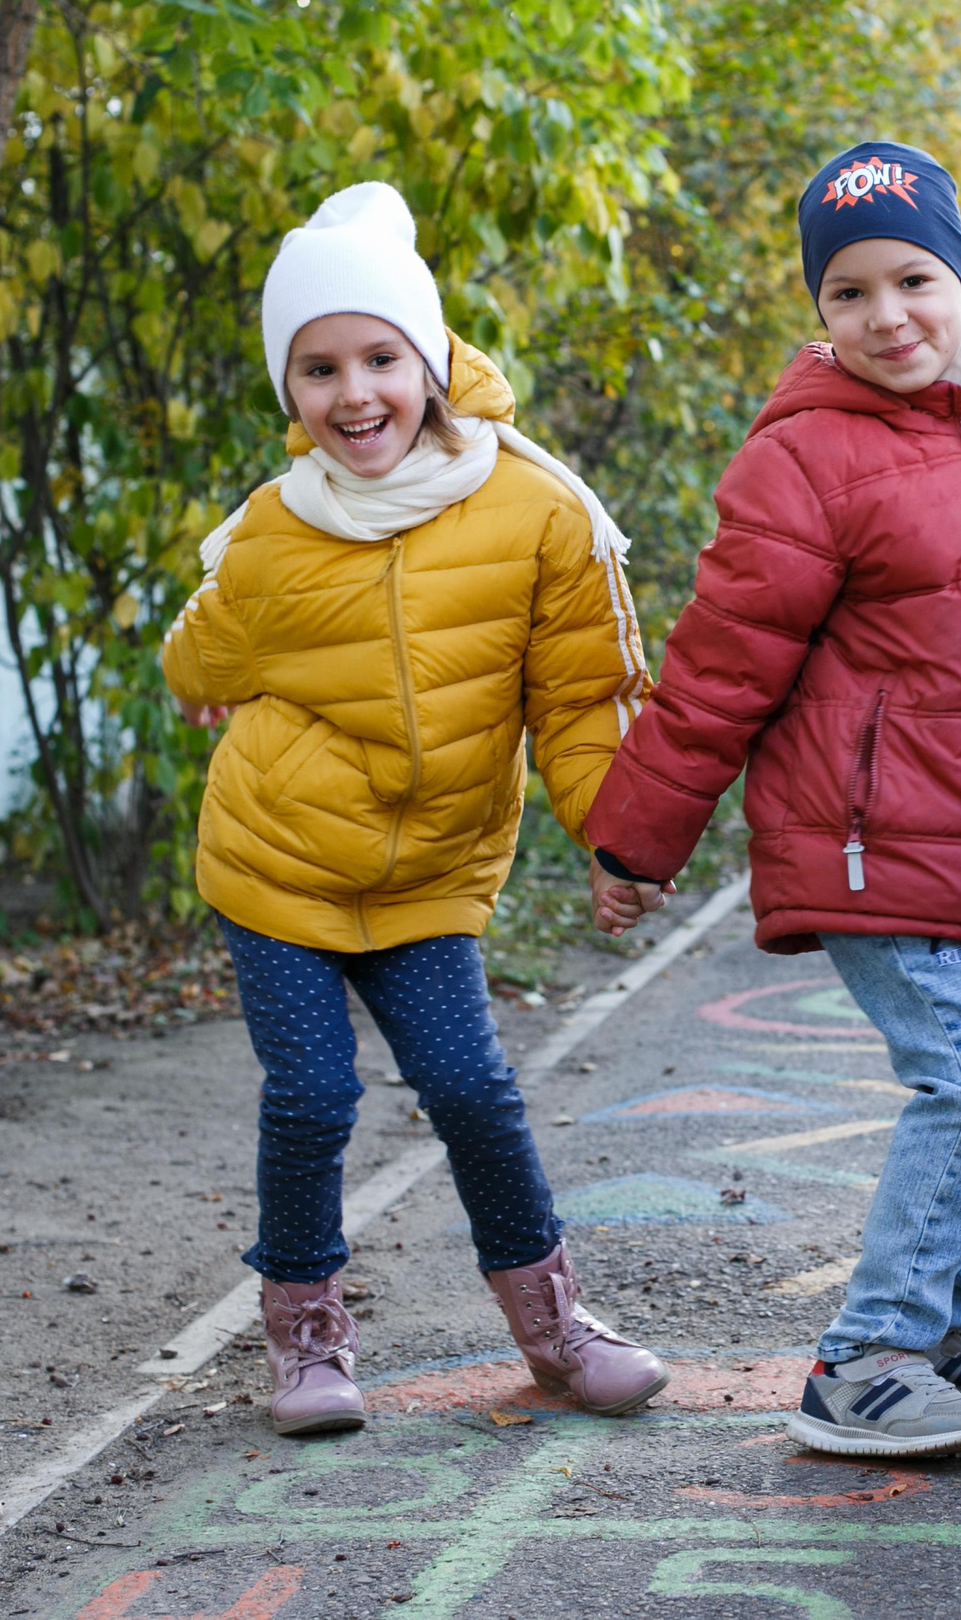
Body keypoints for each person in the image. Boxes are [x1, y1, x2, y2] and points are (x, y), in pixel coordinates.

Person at [582, 142, 961, 1458]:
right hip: (856, 836)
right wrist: (637, 836)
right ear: (819, 311)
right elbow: (719, 667)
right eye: (848, 293)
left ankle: (947, 1319)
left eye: (911, 279)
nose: (886, 316)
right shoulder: (805, 460)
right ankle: (868, 1357)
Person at [161, 182, 670, 1436]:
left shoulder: (535, 510)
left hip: (429, 871)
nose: (354, 395)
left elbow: (581, 697)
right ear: (291, 392)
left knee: (470, 1088)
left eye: (380, 357)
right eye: (318, 368)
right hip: (277, 859)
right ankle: (307, 1342)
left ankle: (555, 1328)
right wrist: (211, 675)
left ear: (432, 360)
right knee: (313, 1097)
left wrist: (617, 835)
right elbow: (196, 662)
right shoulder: (273, 533)